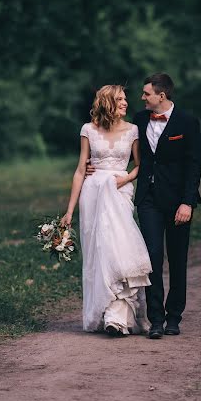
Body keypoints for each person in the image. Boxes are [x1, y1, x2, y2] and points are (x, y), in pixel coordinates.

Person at [60, 85, 152, 337]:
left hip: (119, 192)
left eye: (125, 99)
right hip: (92, 194)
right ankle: (105, 314)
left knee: (119, 248)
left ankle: (118, 316)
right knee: (98, 251)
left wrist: (125, 179)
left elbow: (140, 166)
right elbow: (80, 170)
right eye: (120, 99)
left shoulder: (133, 130)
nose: (125, 103)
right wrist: (69, 212)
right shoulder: (88, 129)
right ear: (108, 102)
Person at [133, 73, 201, 338]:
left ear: (161, 96)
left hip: (177, 202)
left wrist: (187, 202)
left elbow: (194, 165)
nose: (142, 98)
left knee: (177, 258)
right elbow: (127, 152)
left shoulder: (187, 122)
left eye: (146, 93)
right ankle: (156, 320)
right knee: (151, 257)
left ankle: (174, 316)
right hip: (148, 199)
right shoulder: (139, 120)